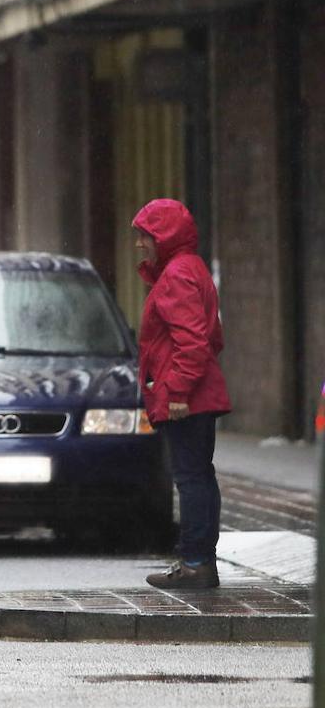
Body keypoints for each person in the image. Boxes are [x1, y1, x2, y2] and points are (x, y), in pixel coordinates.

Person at [132, 199, 232, 589]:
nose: (139, 243)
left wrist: (177, 391)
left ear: (165, 236)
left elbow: (192, 342)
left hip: (186, 400)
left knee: (191, 478)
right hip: (196, 393)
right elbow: (212, 337)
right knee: (199, 476)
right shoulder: (191, 268)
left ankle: (195, 564)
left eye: (145, 235)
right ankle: (200, 561)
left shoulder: (176, 275)